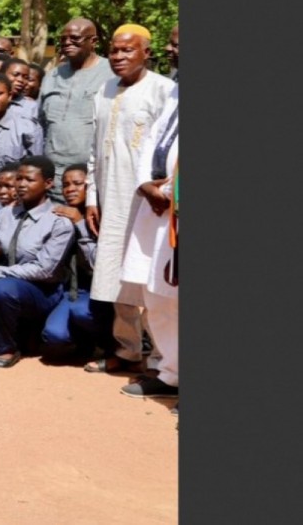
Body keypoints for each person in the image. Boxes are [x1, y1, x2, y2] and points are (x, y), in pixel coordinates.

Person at [84, 24, 176, 375]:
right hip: (111, 197)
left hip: (151, 202)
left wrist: (162, 192)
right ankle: (127, 350)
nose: (118, 57)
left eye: (127, 51)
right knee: (115, 275)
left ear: (146, 54)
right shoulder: (103, 90)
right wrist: (93, 197)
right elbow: (95, 151)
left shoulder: (164, 90)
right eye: (114, 50)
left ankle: (162, 359)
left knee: (150, 278)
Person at [0, 156, 73, 368]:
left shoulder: (59, 220)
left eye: (29, 180)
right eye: (19, 179)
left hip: (43, 291)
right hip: (5, 285)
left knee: (3, 288)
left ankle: (6, 348)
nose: (21, 184)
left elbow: (44, 270)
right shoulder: (5, 214)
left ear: (48, 183)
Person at [118, 81, 178, 398]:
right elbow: (150, 144)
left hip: (175, 206)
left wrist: (168, 192)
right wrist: (145, 185)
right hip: (157, 209)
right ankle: (172, 374)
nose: (172, 51)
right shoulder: (174, 94)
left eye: (177, 45)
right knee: (158, 295)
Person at [40, 163, 108, 357]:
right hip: (69, 289)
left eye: (78, 184)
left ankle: (110, 343)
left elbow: (98, 264)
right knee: (54, 336)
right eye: (66, 184)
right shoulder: (58, 214)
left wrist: (80, 223)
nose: (70, 189)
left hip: (98, 290)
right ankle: (83, 342)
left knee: (81, 312)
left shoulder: (103, 216)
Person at [39, 18, 115, 188]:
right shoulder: (52, 75)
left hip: (93, 176)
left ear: (93, 41)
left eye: (74, 38)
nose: (67, 43)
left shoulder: (112, 74)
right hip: (55, 177)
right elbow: (41, 122)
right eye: (63, 39)